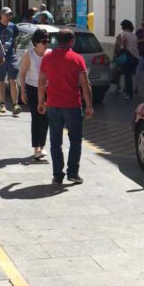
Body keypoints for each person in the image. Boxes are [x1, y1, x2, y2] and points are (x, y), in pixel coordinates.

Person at [37, 28, 94, 185]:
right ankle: (73, 173)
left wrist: (41, 102)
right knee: (75, 140)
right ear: (71, 41)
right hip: (72, 105)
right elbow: (85, 84)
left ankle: (57, 175)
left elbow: (41, 82)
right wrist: (88, 105)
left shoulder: (48, 58)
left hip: (53, 105)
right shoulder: (77, 59)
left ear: (57, 41)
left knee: (55, 142)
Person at [19, 28, 51, 159]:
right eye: (44, 41)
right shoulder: (29, 54)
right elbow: (22, 73)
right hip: (32, 89)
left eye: (48, 41)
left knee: (45, 119)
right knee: (37, 118)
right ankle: (36, 147)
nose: (46, 43)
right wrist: (23, 91)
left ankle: (42, 146)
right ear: (36, 42)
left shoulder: (50, 53)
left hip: (47, 90)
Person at [0, 7, 22, 115]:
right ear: (1, 15)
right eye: (7, 14)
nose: (9, 16)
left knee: (13, 80)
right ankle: (3, 104)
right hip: (0, 58)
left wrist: (13, 50)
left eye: (10, 14)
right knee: (1, 80)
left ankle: (15, 104)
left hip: (11, 56)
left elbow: (15, 40)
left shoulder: (14, 26)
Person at [119, 20, 140, 100]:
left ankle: (129, 93)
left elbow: (124, 40)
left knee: (127, 76)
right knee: (130, 74)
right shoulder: (134, 35)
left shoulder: (124, 34)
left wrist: (124, 47)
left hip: (128, 55)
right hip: (135, 56)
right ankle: (128, 90)